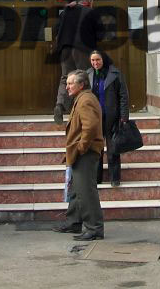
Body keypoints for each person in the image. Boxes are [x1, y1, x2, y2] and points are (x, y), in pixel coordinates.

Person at [52, 70, 105, 241]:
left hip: (85, 153)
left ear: (81, 85)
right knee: (76, 189)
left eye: (70, 83)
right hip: (80, 152)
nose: (67, 87)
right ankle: (74, 221)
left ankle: (94, 228)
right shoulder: (81, 98)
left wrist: (81, 148)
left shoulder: (86, 100)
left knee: (86, 191)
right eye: (67, 83)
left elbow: (90, 127)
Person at [53, 0, 102, 124]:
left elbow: (56, 29)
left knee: (65, 78)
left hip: (65, 49)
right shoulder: (91, 13)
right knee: (85, 77)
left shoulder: (65, 12)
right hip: (83, 49)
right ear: (90, 1)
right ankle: (85, 109)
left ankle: (60, 105)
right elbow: (100, 34)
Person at [87, 50, 129, 187]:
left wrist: (124, 117)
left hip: (112, 118)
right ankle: (96, 178)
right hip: (95, 118)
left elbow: (123, 96)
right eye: (93, 60)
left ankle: (115, 179)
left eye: (98, 60)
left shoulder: (115, 74)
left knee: (113, 149)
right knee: (96, 149)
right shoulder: (88, 74)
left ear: (103, 59)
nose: (95, 63)